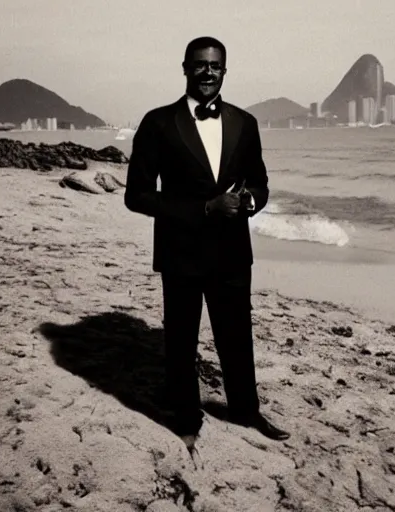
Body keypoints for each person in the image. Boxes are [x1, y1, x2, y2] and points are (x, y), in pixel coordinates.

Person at [124, 36, 290, 455]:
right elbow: (137, 195)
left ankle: (246, 411)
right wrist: (204, 208)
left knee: (237, 336)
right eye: (199, 65)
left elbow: (260, 182)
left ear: (225, 71)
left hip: (233, 251)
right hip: (181, 250)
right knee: (180, 339)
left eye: (214, 66)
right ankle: (184, 418)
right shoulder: (158, 123)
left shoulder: (245, 123)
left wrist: (250, 200)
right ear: (184, 68)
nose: (207, 72)